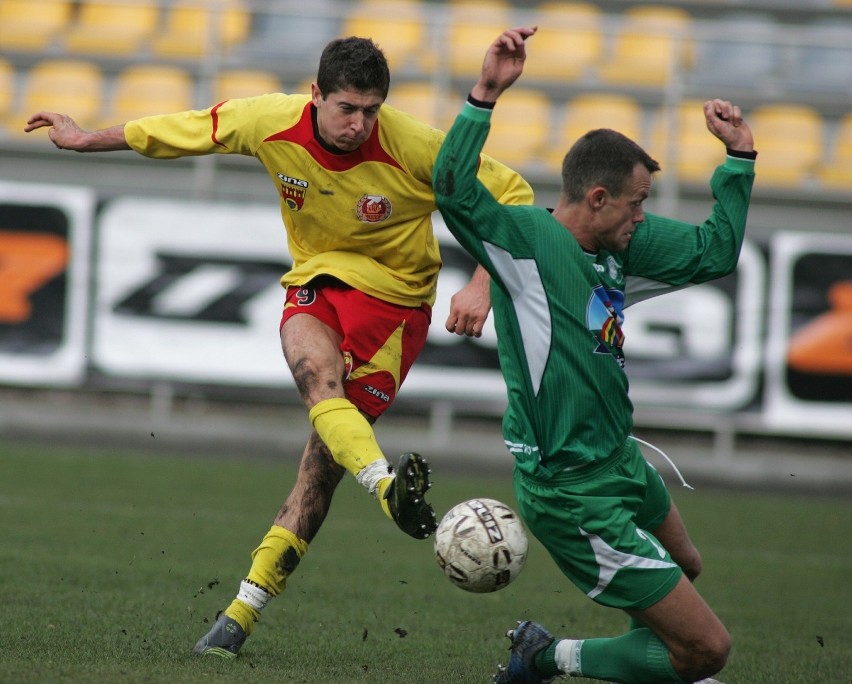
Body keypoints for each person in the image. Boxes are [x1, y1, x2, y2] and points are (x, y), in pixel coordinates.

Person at [25, 36, 533, 658]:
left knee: (319, 470)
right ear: (315, 94)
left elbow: (511, 194)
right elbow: (181, 129)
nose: (360, 124)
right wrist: (84, 138)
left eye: (372, 110)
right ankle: (385, 488)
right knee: (313, 372)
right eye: (347, 108)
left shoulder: (412, 145)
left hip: (396, 309)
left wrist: (481, 284)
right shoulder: (271, 121)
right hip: (318, 282)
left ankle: (244, 609)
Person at [433, 27, 756, 684]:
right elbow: (451, 188)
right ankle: (548, 656)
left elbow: (714, 254)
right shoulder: (526, 244)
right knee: (708, 653)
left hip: (619, 459)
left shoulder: (621, 249)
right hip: (569, 487)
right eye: (637, 203)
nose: (644, 216)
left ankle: (631, 660)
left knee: (685, 567)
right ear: (599, 199)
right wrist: (485, 95)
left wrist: (740, 159)